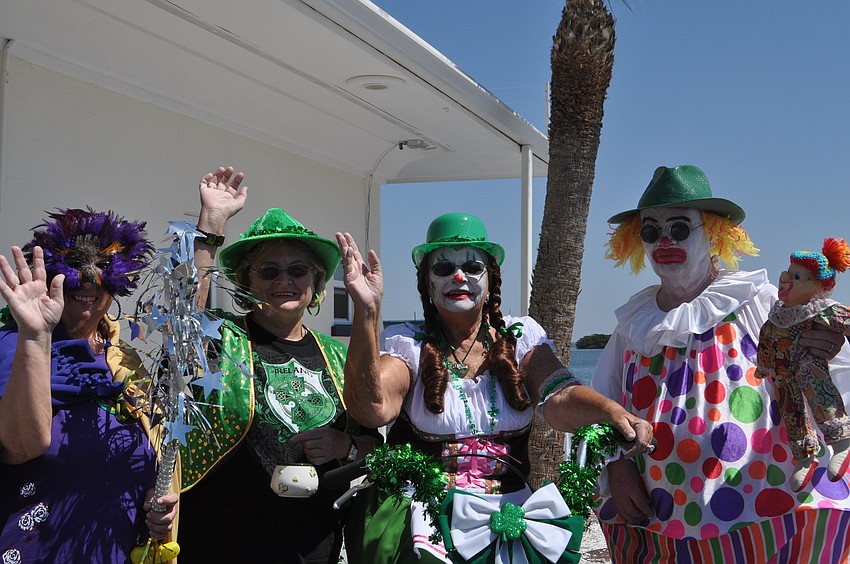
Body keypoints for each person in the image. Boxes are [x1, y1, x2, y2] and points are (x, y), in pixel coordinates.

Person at [338, 212, 654, 563]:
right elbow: (370, 408)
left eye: (473, 267)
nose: (459, 276)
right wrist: (366, 312)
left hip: (511, 520)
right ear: (427, 283)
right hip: (423, 525)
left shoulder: (520, 341)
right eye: (443, 269)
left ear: (491, 280)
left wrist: (609, 411)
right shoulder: (407, 345)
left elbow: (560, 395)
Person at [592, 164, 850, 562]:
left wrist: (826, 344)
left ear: (713, 234)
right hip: (663, 514)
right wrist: (616, 468)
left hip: (765, 505)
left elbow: (833, 366)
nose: (664, 240)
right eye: (649, 230)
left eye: (679, 228)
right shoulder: (633, 325)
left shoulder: (759, 301)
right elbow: (600, 407)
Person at [176, 166, 382, 564]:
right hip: (221, 546)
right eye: (268, 271)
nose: (283, 280)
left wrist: (346, 444)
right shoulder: (221, 339)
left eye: (297, 270)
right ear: (246, 282)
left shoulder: (338, 357)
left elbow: (376, 446)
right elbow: (181, 321)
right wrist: (211, 223)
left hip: (316, 548)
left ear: (316, 280)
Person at [0, 208, 178, 562]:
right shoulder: (12, 347)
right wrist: (35, 336)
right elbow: (21, 446)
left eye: (103, 269)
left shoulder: (124, 360)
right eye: (72, 267)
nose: (87, 280)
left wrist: (157, 506)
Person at [756, 237, 850, 490]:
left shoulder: (820, 309)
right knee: (791, 412)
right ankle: (804, 458)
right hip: (782, 374)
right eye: (788, 272)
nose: (786, 279)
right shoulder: (778, 313)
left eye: (796, 277)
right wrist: (764, 364)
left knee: (821, 398)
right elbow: (767, 337)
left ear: (813, 285)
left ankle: (841, 442)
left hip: (810, 368)